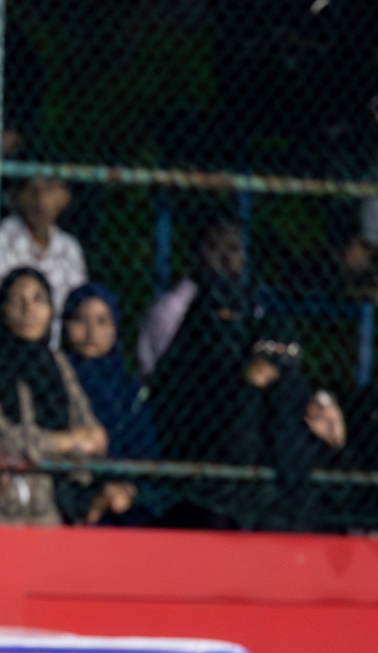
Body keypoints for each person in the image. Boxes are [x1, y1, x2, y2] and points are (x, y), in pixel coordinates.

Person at [151, 263, 345, 531]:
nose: (228, 322)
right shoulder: (186, 375)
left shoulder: (270, 377)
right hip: (201, 496)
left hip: (267, 503)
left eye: (237, 314)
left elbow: (295, 455)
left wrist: (332, 440)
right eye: (220, 314)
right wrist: (247, 389)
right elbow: (229, 447)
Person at [0, 268, 107, 524]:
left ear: (52, 311)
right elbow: (8, 439)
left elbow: (93, 433)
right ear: (3, 310)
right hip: (7, 505)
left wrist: (81, 438)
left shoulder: (58, 364)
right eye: (16, 300)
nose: (28, 309)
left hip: (57, 503)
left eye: (38, 300)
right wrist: (67, 442)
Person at [61, 283, 162, 526]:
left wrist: (127, 489)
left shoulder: (128, 392)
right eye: (80, 320)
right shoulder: (55, 380)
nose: (91, 332)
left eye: (101, 321)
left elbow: (145, 453)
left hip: (126, 501)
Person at [136, 220, 244, 380]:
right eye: (214, 247)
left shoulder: (249, 305)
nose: (226, 258)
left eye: (233, 248)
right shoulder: (172, 307)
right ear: (198, 252)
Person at [0, 178, 88, 342]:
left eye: (50, 188)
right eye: (32, 190)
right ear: (15, 195)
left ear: (65, 197)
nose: (41, 199)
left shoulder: (70, 248)